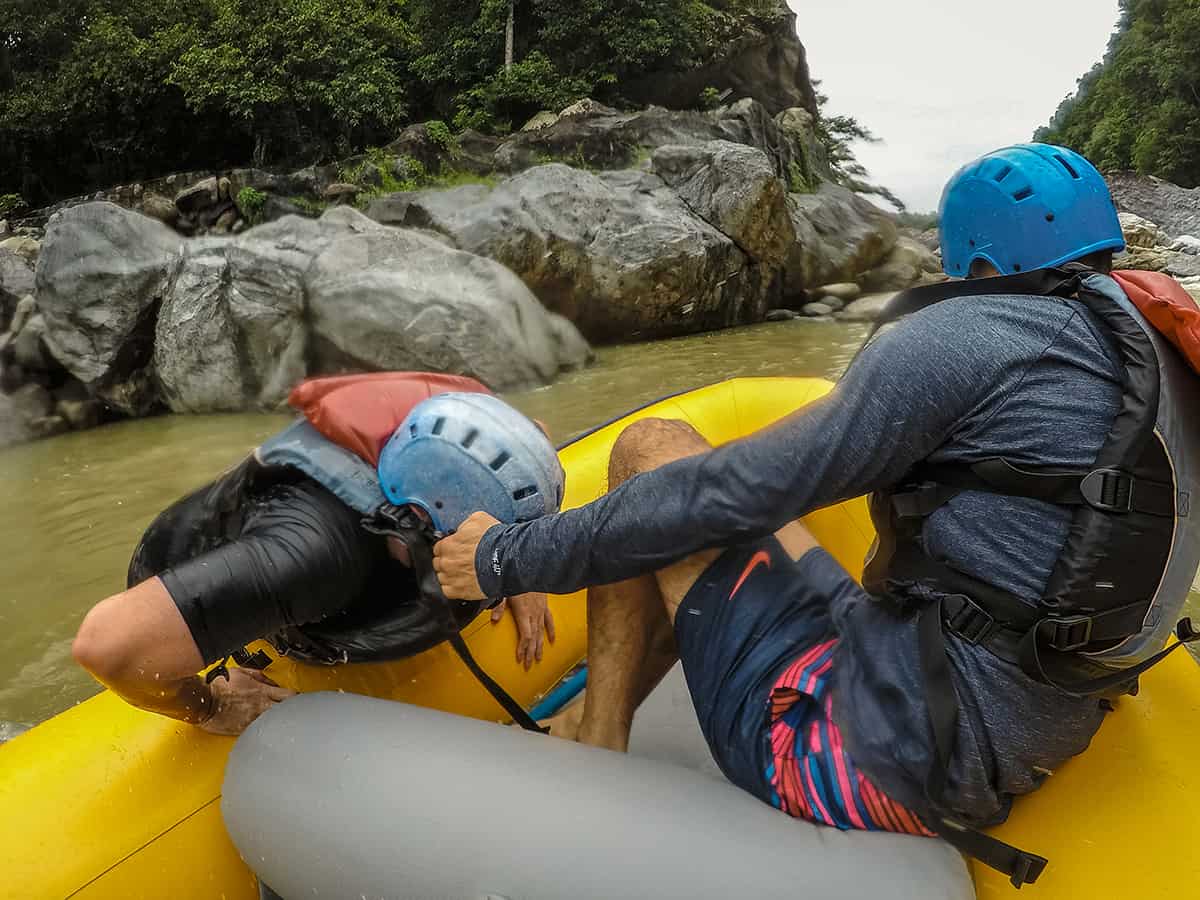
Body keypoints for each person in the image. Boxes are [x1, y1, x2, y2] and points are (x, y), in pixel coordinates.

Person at [432, 144, 1200, 886]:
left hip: (869, 754)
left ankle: (593, 747)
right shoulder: (1150, 347)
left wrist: (506, 557)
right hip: (1022, 726)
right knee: (690, 492)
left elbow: (722, 492)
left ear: (983, 264)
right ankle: (599, 726)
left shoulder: (974, 333)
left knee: (651, 451)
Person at [72, 373, 564, 737]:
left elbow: (531, 434)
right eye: (485, 537)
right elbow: (107, 643)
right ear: (418, 521)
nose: (493, 545)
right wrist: (210, 708)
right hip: (218, 574)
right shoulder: (316, 560)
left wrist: (519, 568)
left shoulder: (460, 418)